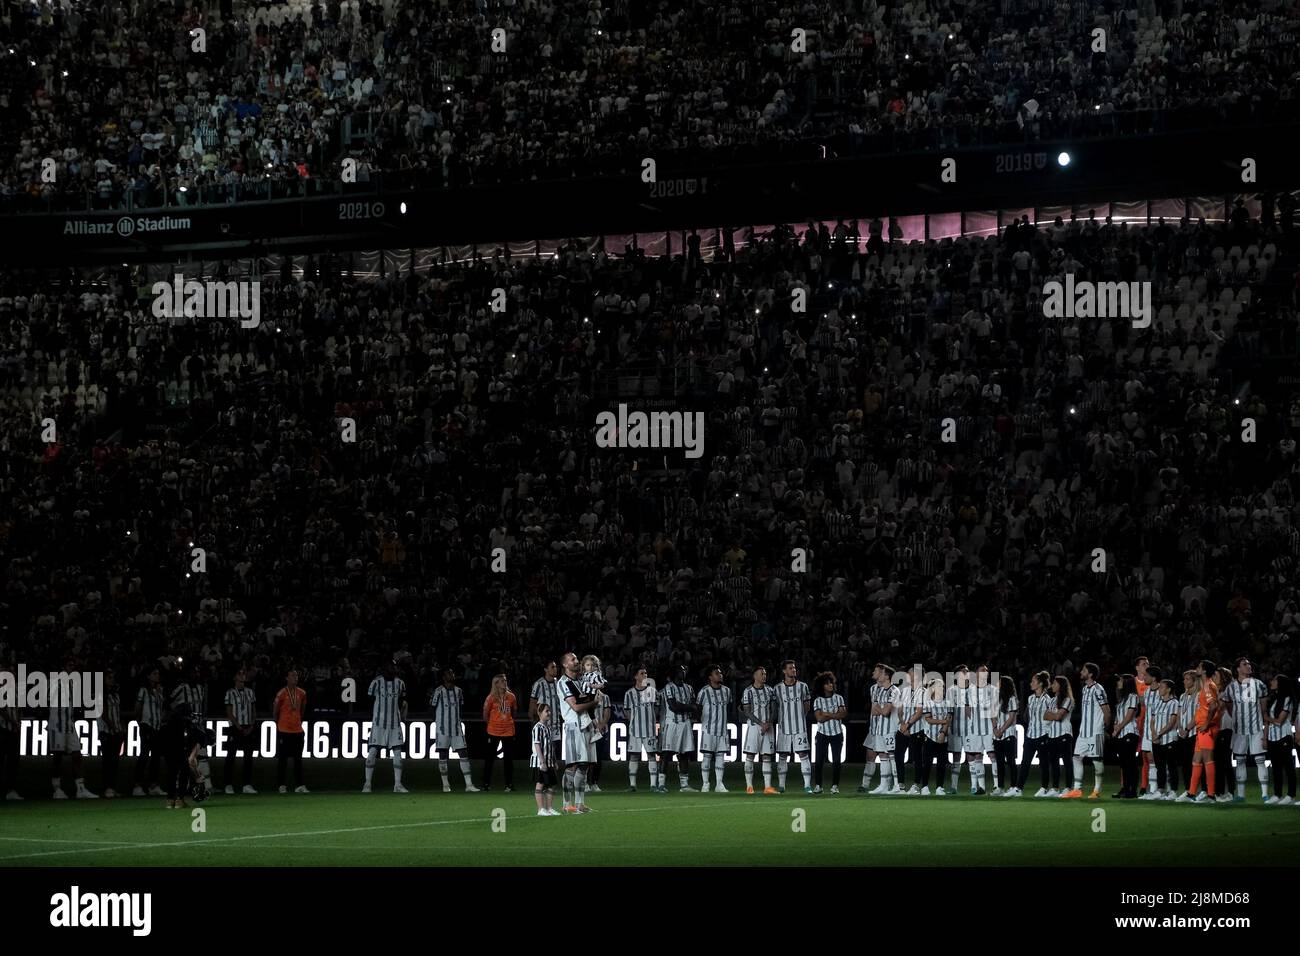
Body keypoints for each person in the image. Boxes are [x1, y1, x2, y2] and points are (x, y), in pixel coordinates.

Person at [557, 651, 600, 812]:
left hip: (587, 724)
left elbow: (591, 700)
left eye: (576, 659)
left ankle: (580, 803)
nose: (576, 661)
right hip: (574, 727)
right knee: (572, 766)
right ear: (565, 665)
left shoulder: (582, 680)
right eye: (572, 659)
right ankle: (567, 804)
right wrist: (593, 701)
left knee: (584, 766)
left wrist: (594, 701)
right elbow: (575, 706)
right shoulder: (563, 682)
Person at [1061, 663, 1109, 800]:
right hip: (1083, 732)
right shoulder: (1084, 689)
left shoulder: (1098, 689)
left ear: (1091, 674)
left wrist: (1104, 728)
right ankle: (1077, 789)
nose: (1081, 671)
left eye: (1084, 670)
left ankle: (1097, 790)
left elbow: (1107, 711)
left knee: (1096, 760)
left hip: (1095, 732)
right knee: (1076, 757)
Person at [1224, 657, 1269, 803]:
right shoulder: (1231, 687)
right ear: (1238, 669)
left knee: (1260, 760)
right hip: (1239, 730)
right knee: (1240, 760)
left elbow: (1263, 708)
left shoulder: (1259, 684)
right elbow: (1228, 706)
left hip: (1256, 728)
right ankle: (1241, 795)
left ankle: (1265, 795)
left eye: (1249, 663)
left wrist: (1265, 726)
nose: (1248, 666)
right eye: (1245, 664)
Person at [363, 660, 408, 793]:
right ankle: (367, 783)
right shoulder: (376, 682)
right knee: (372, 751)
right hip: (379, 723)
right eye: (390, 666)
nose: (393, 668)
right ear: (384, 668)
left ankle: (398, 785)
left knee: (398, 752)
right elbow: (368, 700)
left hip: (395, 723)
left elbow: (403, 701)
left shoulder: (400, 683)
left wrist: (403, 716)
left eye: (394, 666)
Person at [431, 668, 479, 792]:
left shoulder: (459, 691)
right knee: (443, 754)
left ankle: (469, 785)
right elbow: (432, 707)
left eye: (452, 673)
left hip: (457, 728)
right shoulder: (439, 691)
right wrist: (438, 723)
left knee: (463, 753)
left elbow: (461, 707)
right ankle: (445, 785)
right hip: (443, 729)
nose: (451, 675)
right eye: (448, 673)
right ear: (443, 677)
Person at [1176, 666, 1219, 803]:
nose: (1197, 668)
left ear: (1205, 670)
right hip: (1200, 728)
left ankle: (1211, 795)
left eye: (1200, 667)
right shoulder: (1205, 687)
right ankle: (1191, 793)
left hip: (1206, 728)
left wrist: (1206, 723)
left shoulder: (1207, 686)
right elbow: (1201, 710)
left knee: (1208, 760)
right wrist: (1189, 728)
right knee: (1196, 761)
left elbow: (1213, 706)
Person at [1008, 670, 1052, 797]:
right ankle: (1018, 788)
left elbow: (1051, 717)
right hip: (1030, 735)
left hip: (1043, 734)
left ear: (1040, 684)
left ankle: (1044, 788)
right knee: (1025, 762)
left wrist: (1047, 731)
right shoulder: (1031, 698)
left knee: (1043, 763)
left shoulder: (1047, 700)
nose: (1031, 683)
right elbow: (1027, 716)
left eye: (1033, 681)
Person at [171, 662, 213, 794]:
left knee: (202, 757)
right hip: (185, 730)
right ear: (188, 674)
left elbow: (203, 708)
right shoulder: (181, 688)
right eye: (193, 672)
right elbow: (170, 703)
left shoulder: (201, 688)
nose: (196, 675)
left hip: (199, 728)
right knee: (185, 759)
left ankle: (207, 786)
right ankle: (183, 787)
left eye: (197, 672)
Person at [774, 659, 813, 794]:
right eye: (790, 668)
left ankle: (807, 786)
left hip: (799, 727)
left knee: (803, 754)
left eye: (794, 668)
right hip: (784, 728)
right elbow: (775, 707)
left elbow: (807, 705)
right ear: (784, 671)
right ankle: (781, 786)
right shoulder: (777, 688)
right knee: (783, 756)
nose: (793, 670)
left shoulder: (803, 686)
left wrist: (799, 716)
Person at [161, 702, 209, 810]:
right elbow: (198, 737)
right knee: (183, 773)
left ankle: (170, 800)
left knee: (171, 774)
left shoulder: (168, 722)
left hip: (170, 751)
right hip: (182, 750)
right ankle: (179, 799)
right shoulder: (188, 723)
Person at [859, 663, 898, 795]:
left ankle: (897, 785)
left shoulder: (894, 690)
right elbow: (874, 711)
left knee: (891, 756)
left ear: (886, 675)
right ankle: (882, 785)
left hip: (890, 728)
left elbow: (885, 711)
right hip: (877, 728)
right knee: (880, 755)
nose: (875, 674)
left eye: (879, 672)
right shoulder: (876, 689)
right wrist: (880, 709)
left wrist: (880, 709)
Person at [49, 692, 96, 799]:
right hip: (56, 725)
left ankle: (81, 789)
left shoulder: (71, 684)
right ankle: (56, 789)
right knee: (57, 756)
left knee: (77, 755)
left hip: (69, 724)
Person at [659, 663, 697, 793]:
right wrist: (689, 707)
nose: (683, 672)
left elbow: (693, 705)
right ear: (674, 673)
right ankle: (661, 784)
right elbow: (673, 706)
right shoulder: (669, 687)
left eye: (684, 670)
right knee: (666, 753)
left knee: (684, 754)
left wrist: (688, 707)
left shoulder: (689, 688)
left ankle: (684, 785)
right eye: (680, 670)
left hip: (685, 723)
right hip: (672, 724)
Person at [740, 664, 778, 794]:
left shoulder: (770, 690)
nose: (764, 676)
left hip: (768, 726)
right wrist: (761, 723)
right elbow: (747, 711)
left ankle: (767, 787)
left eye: (765, 674)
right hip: (754, 727)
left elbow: (774, 709)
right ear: (755, 676)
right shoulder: (748, 691)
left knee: (767, 756)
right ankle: (749, 786)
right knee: (750, 755)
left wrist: (769, 723)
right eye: (762, 674)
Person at [696, 665, 733, 793]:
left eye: (720, 673)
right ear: (710, 677)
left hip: (722, 730)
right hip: (708, 729)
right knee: (706, 756)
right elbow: (698, 709)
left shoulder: (727, 691)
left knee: (720, 757)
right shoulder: (704, 692)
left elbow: (728, 707)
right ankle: (705, 784)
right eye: (717, 673)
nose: (720, 675)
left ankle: (719, 784)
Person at [623, 666, 660, 792]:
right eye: (642, 673)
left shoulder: (653, 691)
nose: (645, 675)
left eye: (646, 673)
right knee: (634, 756)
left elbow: (657, 708)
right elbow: (626, 711)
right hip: (635, 731)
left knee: (651, 755)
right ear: (636, 676)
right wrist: (634, 722)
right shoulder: (629, 693)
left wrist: (650, 720)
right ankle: (632, 785)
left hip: (649, 730)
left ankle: (653, 785)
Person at [272, 669, 309, 794]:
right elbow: (275, 711)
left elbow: (302, 710)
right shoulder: (282, 693)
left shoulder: (302, 693)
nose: (295, 677)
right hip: (284, 730)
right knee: (283, 759)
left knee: (298, 759)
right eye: (292, 675)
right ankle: (281, 785)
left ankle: (300, 785)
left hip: (298, 730)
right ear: (286, 678)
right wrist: (280, 724)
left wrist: (297, 720)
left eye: (296, 675)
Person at [223, 668, 258, 794]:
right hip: (235, 727)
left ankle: (247, 784)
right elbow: (229, 712)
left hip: (248, 727)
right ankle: (228, 784)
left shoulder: (250, 692)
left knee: (248, 757)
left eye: (244, 673)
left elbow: (254, 710)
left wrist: (251, 726)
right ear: (235, 678)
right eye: (240, 673)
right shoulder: (229, 693)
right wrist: (238, 727)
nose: (243, 675)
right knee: (230, 757)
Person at [133, 665, 166, 797]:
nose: (157, 676)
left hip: (157, 727)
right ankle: (137, 785)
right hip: (147, 726)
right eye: (154, 673)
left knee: (156, 757)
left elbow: (161, 708)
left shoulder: (160, 690)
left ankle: (153, 785)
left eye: (158, 673)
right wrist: (140, 722)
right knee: (144, 755)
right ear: (148, 676)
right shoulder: (143, 691)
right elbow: (137, 708)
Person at [1146, 678, 1181, 801]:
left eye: (1161, 687)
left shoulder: (1174, 703)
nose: (1159, 689)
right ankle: (1160, 790)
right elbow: (1152, 721)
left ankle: (1173, 791)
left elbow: (1172, 722)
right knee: (1159, 766)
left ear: (1168, 689)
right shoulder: (1157, 702)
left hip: (1169, 739)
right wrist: (1154, 734)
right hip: (1157, 739)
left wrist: (1159, 734)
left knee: (1171, 766)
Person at [481, 673, 517, 793]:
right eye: (502, 681)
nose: (505, 683)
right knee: (489, 759)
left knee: (508, 760)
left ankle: (509, 784)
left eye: (505, 680)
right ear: (496, 684)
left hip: (508, 731)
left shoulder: (511, 697)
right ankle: (486, 783)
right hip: (493, 731)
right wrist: (492, 724)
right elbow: (485, 715)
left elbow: (514, 712)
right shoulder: (490, 698)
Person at [811, 671, 846, 794]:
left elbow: (843, 714)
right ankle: (818, 785)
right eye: (827, 683)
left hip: (836, 734)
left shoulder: (839, 698)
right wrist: (835, 715)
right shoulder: (818, 701)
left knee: (836, 761)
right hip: (822, 734)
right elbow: (819, 718)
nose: (830, 685)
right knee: (819, 760)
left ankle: (835, 786)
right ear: (822, 686)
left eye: (831, 682)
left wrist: (828, 714)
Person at [1264, 674, 1295, 805]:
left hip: (1284, 736)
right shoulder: (1273, 699)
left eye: (1275, 680)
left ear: (1281, 683)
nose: (1272, 682)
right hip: (1272, 737)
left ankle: (1291, 795)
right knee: (1276, 767)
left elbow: (1279, 722)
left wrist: (1266, 717)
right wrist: (1265, 738)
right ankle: (1277, 794)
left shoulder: (1287, 699)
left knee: (1288, 767)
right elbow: (1270, 722)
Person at [918, 677, 951, 795]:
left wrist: (943, 733)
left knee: (942, 764)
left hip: (943, 737)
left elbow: (950, 719)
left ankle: (939, 787)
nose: (941, 689)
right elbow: (928, 719)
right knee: (927, 763)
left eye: (942, 687)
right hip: (929, 736)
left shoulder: (948, 703)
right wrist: (943, 722)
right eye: (939, 686)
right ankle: (924, 786)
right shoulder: (928, 703)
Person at [1110, 674, 1140, 798]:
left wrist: (1119, 727)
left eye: (1121, 680)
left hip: (1130, 732)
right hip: (1121, 733)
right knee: (1123, 763)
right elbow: (1119, 717)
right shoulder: (1122, 699)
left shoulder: (1133, 696)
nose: (1118, 682)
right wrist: (1115, 727)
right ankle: (1125, 787)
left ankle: (1132, 790)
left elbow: (1129, 715)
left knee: (1130, 762)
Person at [1043, 675, 1074, 797]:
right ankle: (1055, 788)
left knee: (1067, 762)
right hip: (1052, 734)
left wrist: (1053, 715)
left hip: (1064, 734)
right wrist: (1054, 715)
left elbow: (1059, 717)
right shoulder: (1052, 700)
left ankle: (1068, 787)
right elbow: (1045, 716)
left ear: (1061, 685)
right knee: (1054, 762)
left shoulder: (1067, 699)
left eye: (1055, 683)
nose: (1052, 685)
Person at [529, 660, 562, 769]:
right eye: (552, 667)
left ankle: (550, 773)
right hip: (543, 723)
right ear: (546, 669)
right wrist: (533, 720)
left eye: (556, 666)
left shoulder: (559, 683)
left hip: (555, 722)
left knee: (553, 748)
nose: (555, 668)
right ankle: (541, 772)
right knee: (541, 748)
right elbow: (532, 702)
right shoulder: (539, 684)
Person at [98, 669, 126, 799]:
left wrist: (121, 727)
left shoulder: (115, 694)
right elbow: (103, 714)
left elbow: (118, 712)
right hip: (106, 731)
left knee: (115, 761)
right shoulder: (101, 694)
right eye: (109, 677)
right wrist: (114, 727)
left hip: (116, 731)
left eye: (112, 677)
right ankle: (106, 787)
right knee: (108, 760)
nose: (112, 679)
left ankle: (112, 787)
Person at [896, 667, 924, 794]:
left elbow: (919, 712)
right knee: (898, 756)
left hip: (917, 729)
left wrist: (907, 725)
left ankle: (916, 785)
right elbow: (900, 710)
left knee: (917, 758)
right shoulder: (904, 690)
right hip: (903, 728)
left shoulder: (923, 691)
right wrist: (902, 724)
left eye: (910, 673)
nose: (908, 675)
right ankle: (900, 785)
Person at [991, 674, 1018, 796]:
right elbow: (993, 716)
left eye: (1000, 682)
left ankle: (1013, 787)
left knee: (1011, 762)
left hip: (1008, 734)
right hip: (998, 734)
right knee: (1000, 762)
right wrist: (995, 728)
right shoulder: (997, 699)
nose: (998, 684)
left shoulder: (1012, 699)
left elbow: (1011, 718)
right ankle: (1000, 787)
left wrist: (1000, 730)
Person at [531, 703, 560, 816]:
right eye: (546, 711)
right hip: (540, 762)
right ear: (539, 713)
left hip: (549, 761)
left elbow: (550, 746)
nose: (549, 713)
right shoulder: (537, 727)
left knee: (552, 784)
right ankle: (540, 809)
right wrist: (542, 762)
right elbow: (537, 745)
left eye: (549, 711)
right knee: (540, 784)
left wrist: (554, 761)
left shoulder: (547, 728)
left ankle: (549, 808)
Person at [0, 665, 19, 800]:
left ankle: (10, 790)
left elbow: (17, 708)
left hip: (13, 729)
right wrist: (13, 721)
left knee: (13, 761)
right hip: (3, 728)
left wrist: (18, 722)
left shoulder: (15, 690)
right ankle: (7, 790)